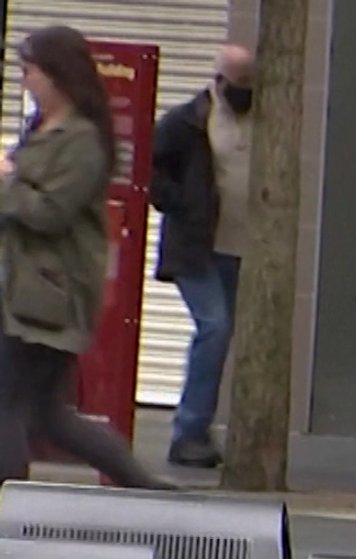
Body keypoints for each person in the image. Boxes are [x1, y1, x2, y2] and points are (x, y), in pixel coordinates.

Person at [0, 26, 171, 489]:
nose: (25, 80)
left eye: (30, 70)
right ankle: (142, 484)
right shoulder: (41, 130)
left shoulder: (83, 142)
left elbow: (50, 212)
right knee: (49, 416)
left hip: (46, 294)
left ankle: (8, 500)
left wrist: (6, 182)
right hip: (20, 285)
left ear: (58, 76)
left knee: (10, 405)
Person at [149, 43, 255, 470]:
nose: (245, 93)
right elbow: (150, 170)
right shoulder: (187, 122)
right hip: (197, 247)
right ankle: (188, 432)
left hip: (241, 245)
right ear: (218, 80)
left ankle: (201, 429)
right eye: (238, 84)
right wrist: (184, 204)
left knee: (224, 334)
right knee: (215, 325)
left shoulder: (264, 120)